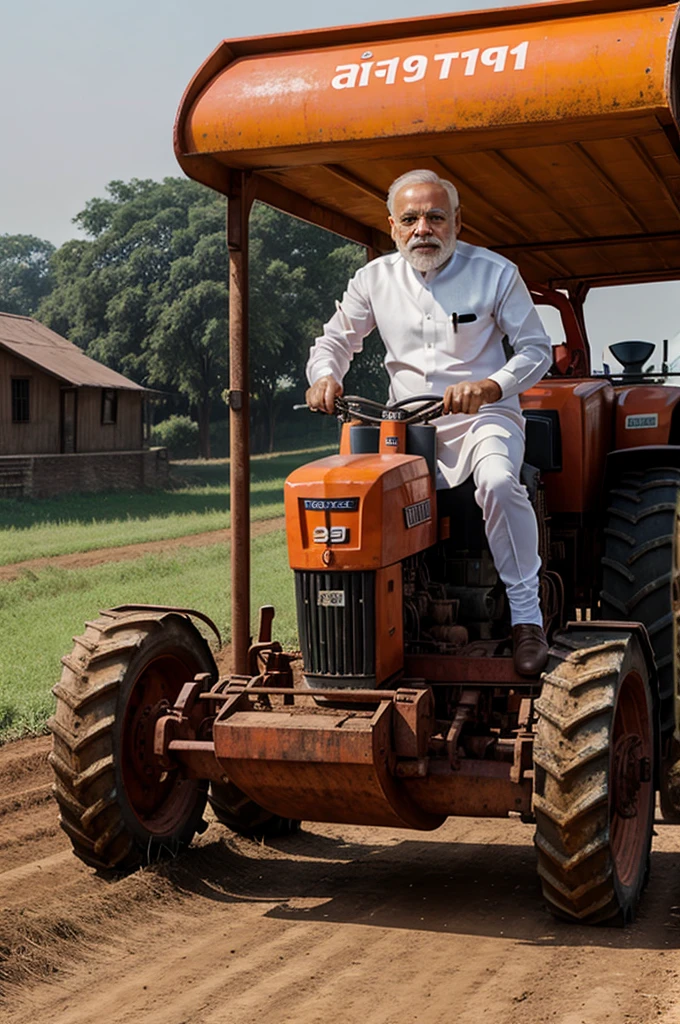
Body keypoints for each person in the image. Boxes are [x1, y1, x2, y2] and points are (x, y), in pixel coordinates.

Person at [305, 168, 552, 675]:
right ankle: (362, 625)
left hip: (484, 416)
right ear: (392, 225)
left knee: (501, 481)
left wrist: (490, 386)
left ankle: (527, 618)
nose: (424, 229)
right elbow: (335, 340)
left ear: (457, 222)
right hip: (407, 426)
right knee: (348, 494)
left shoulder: (495, 272)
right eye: (411, 218)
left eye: (436, 217)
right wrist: (324, 376)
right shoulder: (373, 279)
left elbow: (536, 350)